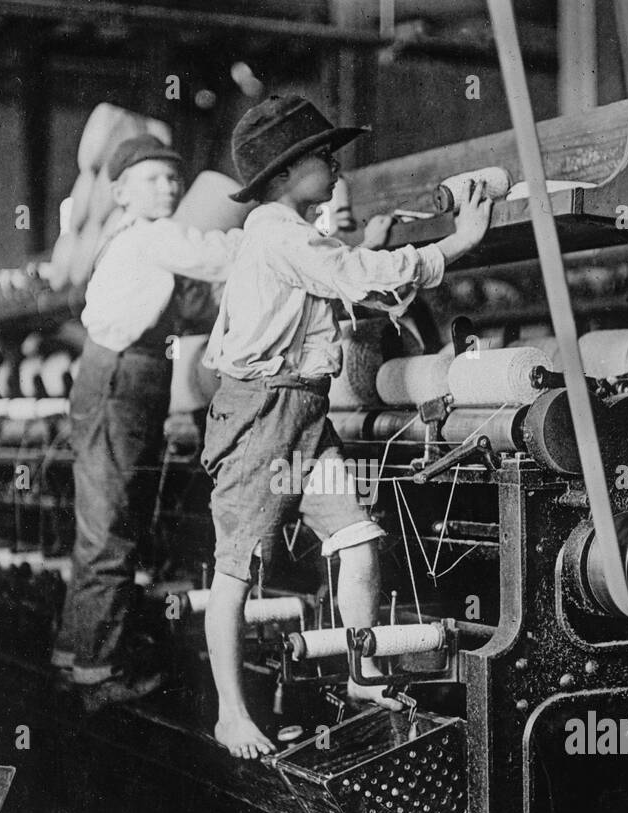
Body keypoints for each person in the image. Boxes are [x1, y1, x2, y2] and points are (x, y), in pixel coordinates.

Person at [200, 96, 493, 758]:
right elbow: (357, 276)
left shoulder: (294, 232)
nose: (335, 167)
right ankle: (228, 713)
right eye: (322, 158)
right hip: (262, 416)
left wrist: (379, 240)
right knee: (237, 570)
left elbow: (346, 265)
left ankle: (363, 676)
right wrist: (457, 243)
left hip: (304, 410)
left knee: (359, 540)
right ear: (281, 174)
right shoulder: (279, 233)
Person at [53, 134, 242, 706]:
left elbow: (189, 307)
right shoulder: (152, 236)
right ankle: (97, 674)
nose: (168, 186)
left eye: (172, 178)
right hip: (122, 381)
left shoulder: (132, 243)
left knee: (105, 525)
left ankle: (75, 651)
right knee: (111, 529)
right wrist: (283, 234)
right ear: (119, 192)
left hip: (122, 377)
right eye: (153, 178)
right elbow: (222, 255)